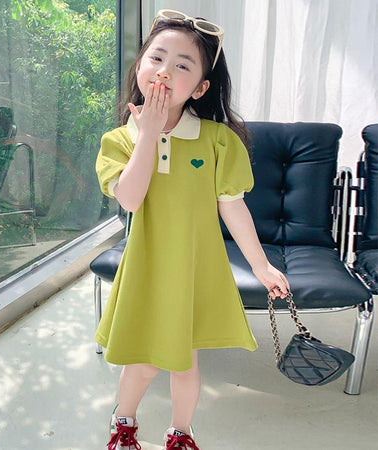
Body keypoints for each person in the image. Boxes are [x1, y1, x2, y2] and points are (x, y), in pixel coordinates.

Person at [95, 9, 290, 450]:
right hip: (147, 271)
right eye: (156, 58)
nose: (165, 71)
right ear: (140, 66)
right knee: (143, 363)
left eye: (182, 65)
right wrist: (147, 136)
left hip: (194, 272)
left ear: (201, 87)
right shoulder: (119, 141)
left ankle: (180, 432)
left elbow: (233, 207)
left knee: (185, 363)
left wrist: (262, 267)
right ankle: (123, 422)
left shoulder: (218, 140)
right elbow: (130, 199)